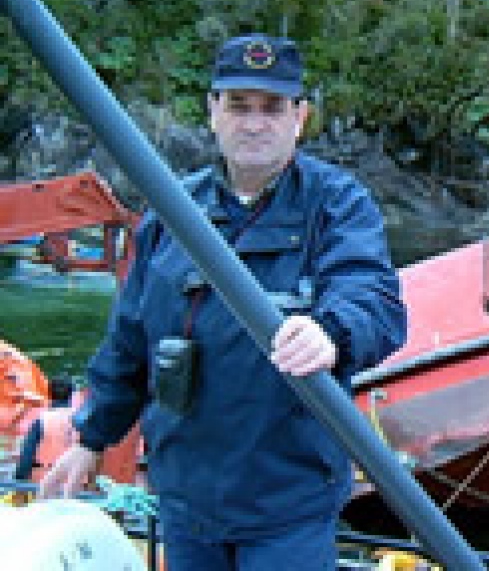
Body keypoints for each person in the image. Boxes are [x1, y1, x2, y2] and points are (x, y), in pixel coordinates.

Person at [39, 33, 408, 571]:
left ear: (299, 117)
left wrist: (331, 331)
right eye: (238, 105)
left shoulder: (338, 205)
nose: (254, 123)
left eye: (272, 108)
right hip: (185, 502)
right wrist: (90, 441)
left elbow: (373, 298)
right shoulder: (171, 210)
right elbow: (129, 342)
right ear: (213, 111)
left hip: (288, 506)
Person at [13, 375, 75, 483]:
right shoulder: (83, 419)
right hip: (75, 481)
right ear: (71, 394)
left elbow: (27, 455)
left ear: (49, 394)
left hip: (44, 480)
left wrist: (19, 479)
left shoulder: (40, 421)